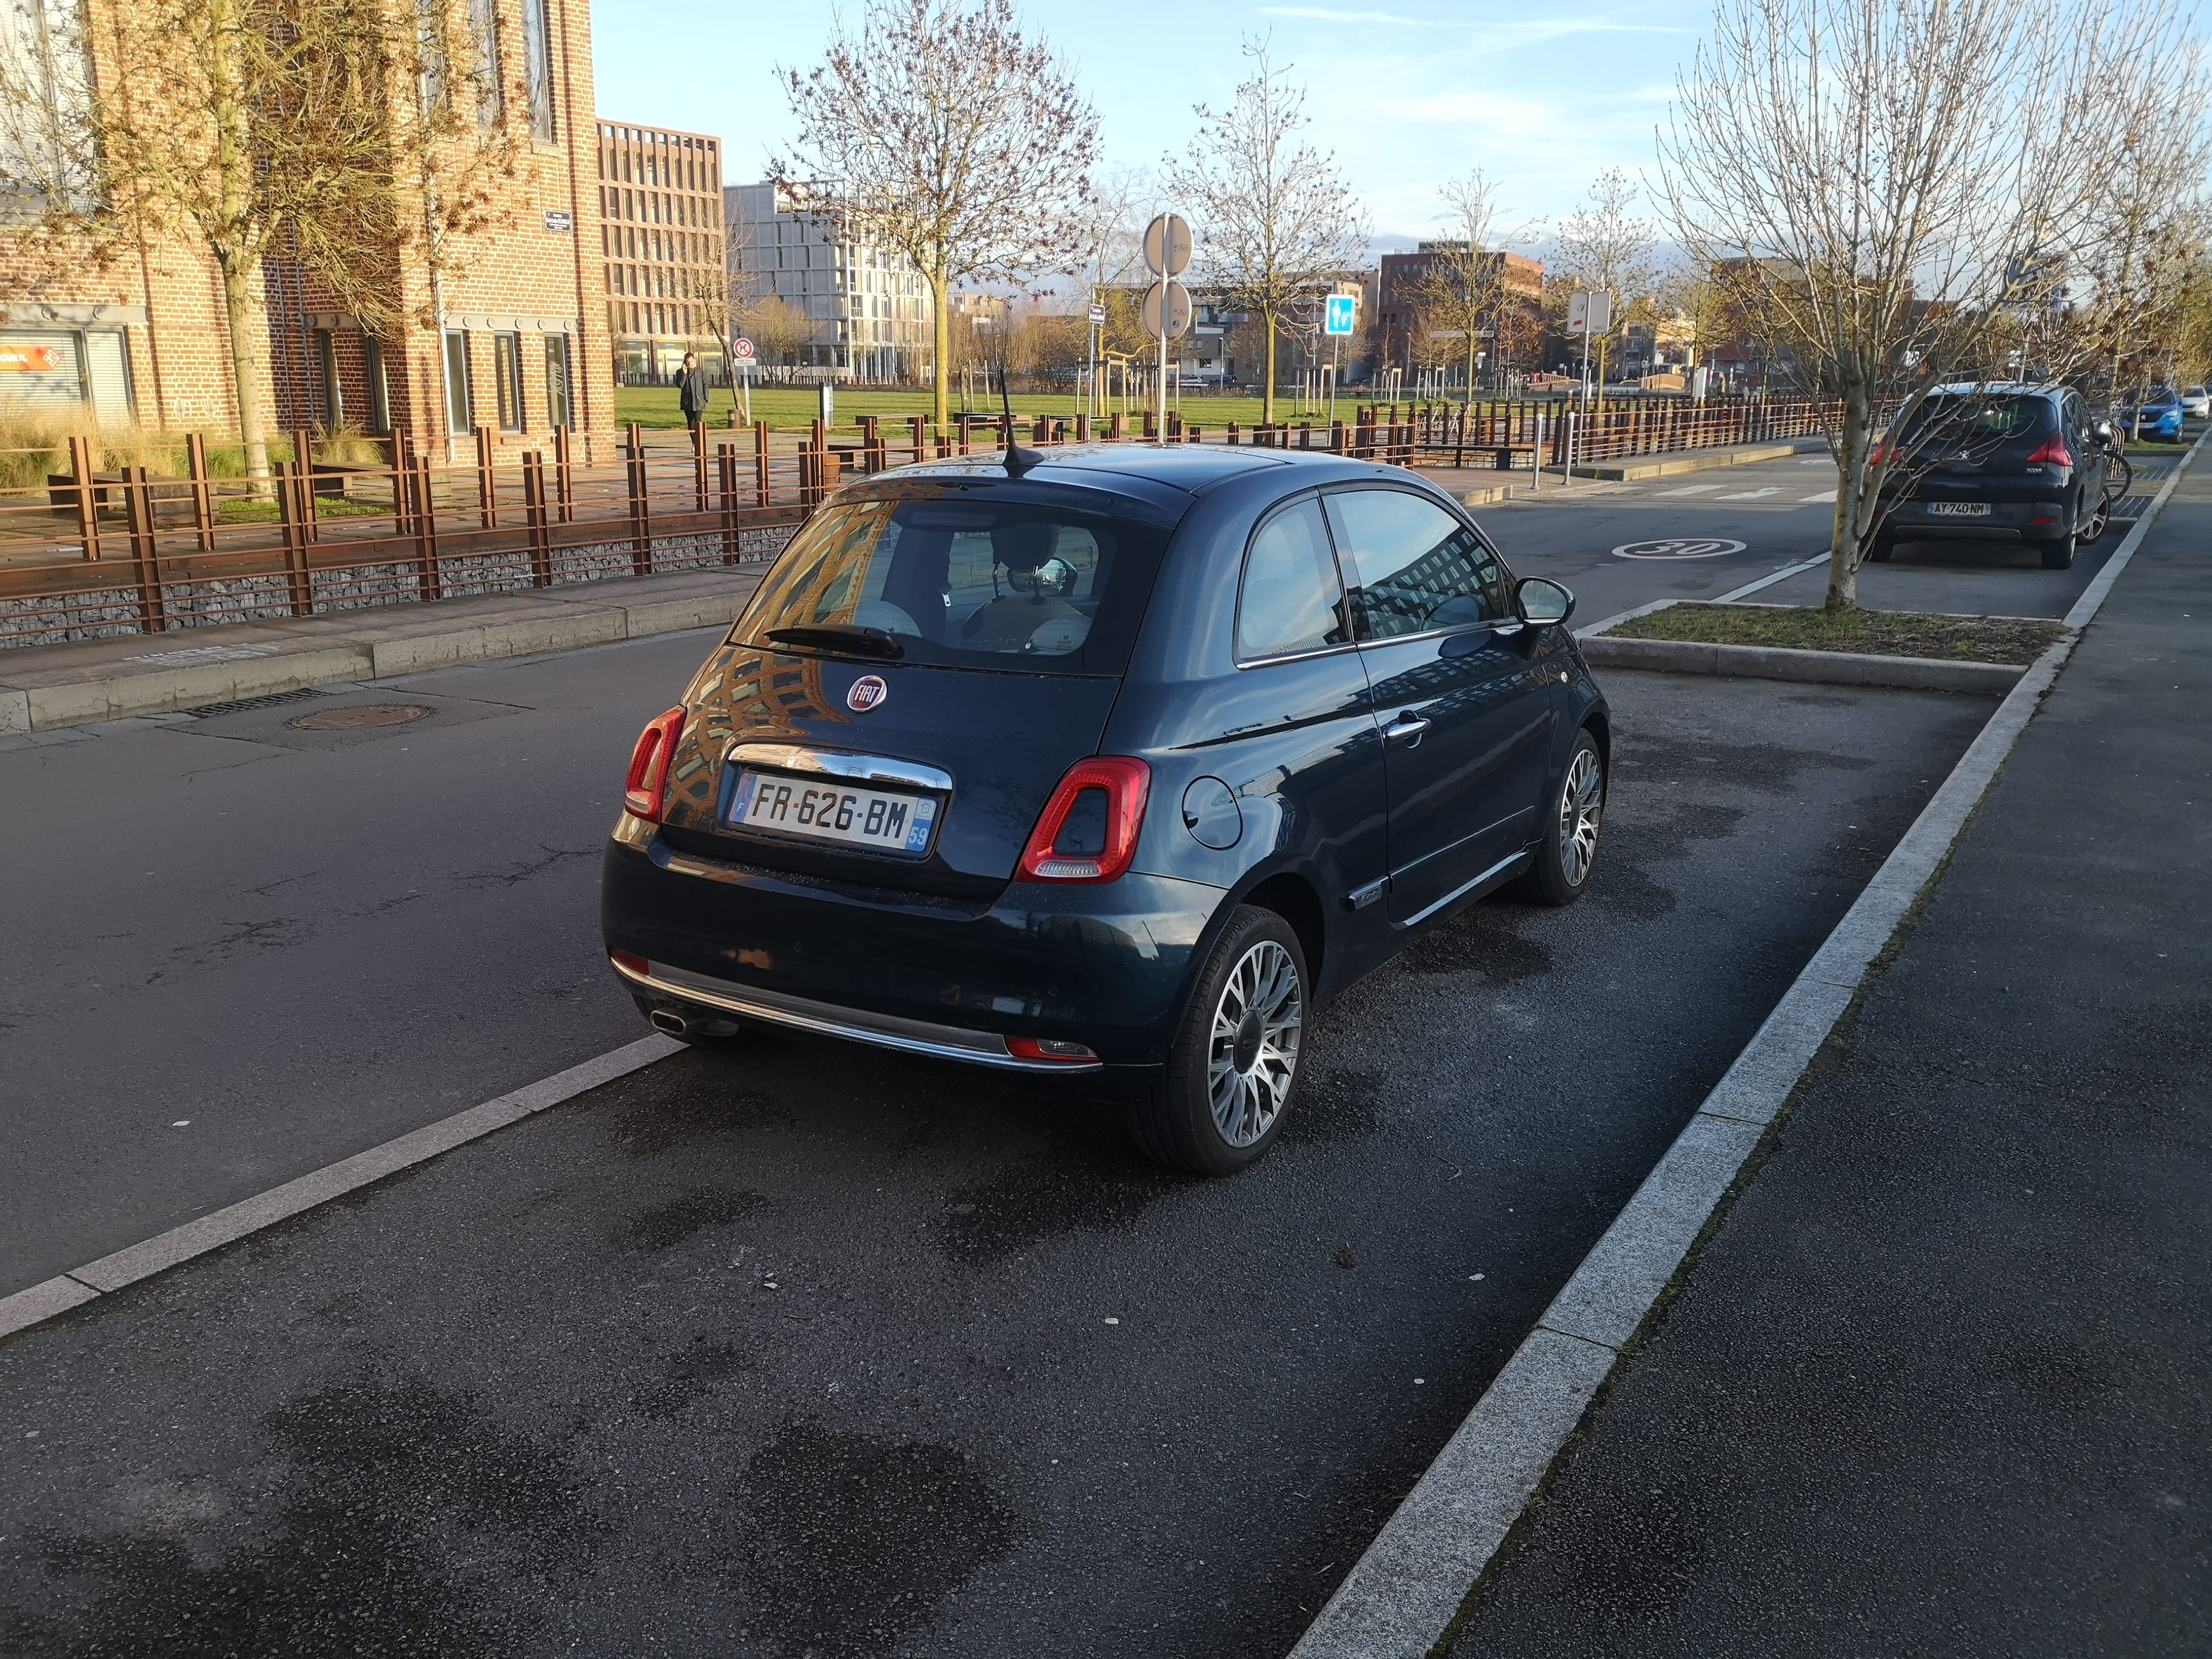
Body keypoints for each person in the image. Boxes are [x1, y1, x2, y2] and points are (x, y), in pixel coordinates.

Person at [674, 351, 710, 437]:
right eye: (688, 362)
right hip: (688, 402)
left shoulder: (700, 371)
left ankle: (700, 441)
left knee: (698, 421)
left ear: (694, 361)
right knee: (691, 423)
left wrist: (706, 398)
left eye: (691, 361)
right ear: (684, 362)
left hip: (699, 401)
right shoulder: (680, 372)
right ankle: (694, 443)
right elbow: (680, 385)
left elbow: (706, 385)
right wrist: (684, 374)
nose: (690, 363)